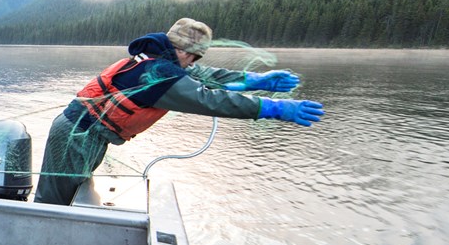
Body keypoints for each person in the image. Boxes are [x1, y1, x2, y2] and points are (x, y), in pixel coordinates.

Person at [34, 17, 324, 206]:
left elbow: (205, 76)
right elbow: (210, 100)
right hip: (77, 136)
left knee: (72, 194)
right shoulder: (161, 75)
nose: (194, 63)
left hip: (85, 135)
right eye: (195, 57)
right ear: (184, 52)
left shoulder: (158, 60)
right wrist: (271, 108)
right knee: (55, 202)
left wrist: (256, 80)